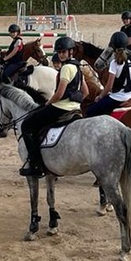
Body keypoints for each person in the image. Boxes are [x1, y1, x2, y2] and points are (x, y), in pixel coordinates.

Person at [19, 37, 88, 178]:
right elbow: (85, 92)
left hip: (61, 107)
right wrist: (76, 103)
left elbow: (59, 93)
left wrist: (47, 103)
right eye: (60, 52)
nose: (61, 54)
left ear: (71, 52)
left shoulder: (66, 68)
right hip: (75, 108)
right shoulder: (78, 68)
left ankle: (36, 164)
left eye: (64, 52)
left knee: (27, 125)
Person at [85, 32, 131, 117]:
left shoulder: (115, 63)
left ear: (113, 46)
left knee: (90, 112)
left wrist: (99, 97)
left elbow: (109, 87)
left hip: (119, 97)